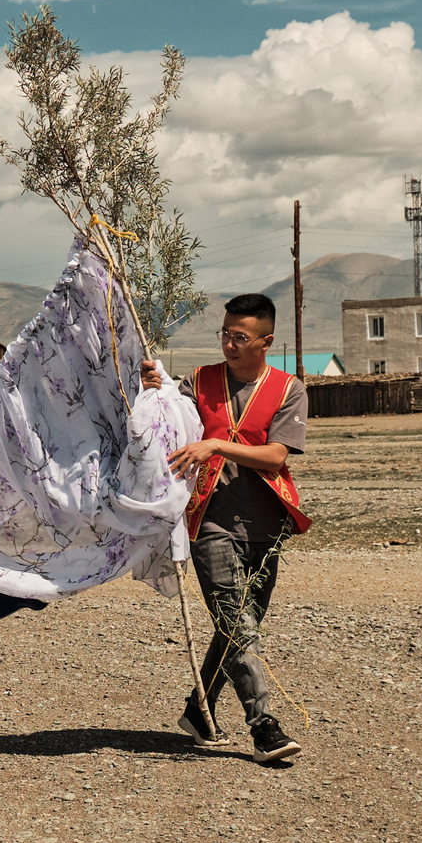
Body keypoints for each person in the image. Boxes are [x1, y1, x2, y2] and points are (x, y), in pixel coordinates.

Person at [141, 291, 309, 764]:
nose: (229, 345)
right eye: (225, 335)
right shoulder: (199, 381)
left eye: (240, 337)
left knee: (236, 625)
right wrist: (154, 385)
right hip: (209, 519)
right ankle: (264, 726)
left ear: (266, 342)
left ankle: (199, 711)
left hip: (267, 524)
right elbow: (166, 412)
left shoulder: (289, 389)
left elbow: (276, 456)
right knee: (237, 624)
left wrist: (216, 444)